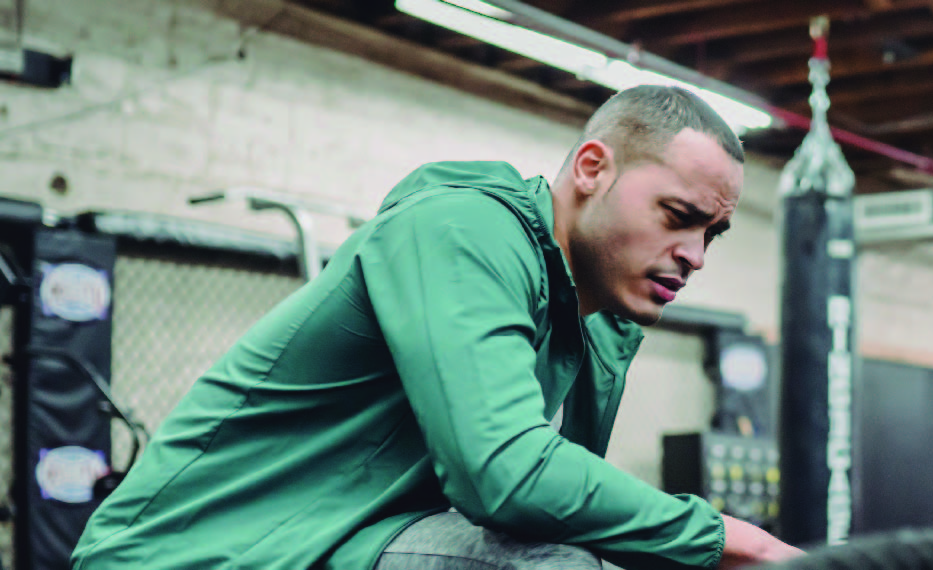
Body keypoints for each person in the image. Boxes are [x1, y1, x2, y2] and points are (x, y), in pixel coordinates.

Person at [71, 85, 805, 569]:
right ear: (591, 169)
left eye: (713, 234)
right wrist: (735, 540)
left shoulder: (601, 322)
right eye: (677, 217)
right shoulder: (464, 230)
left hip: (342, 548)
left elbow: (555, 506)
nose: (695, 255)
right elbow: (508, 478)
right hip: (194, 555)